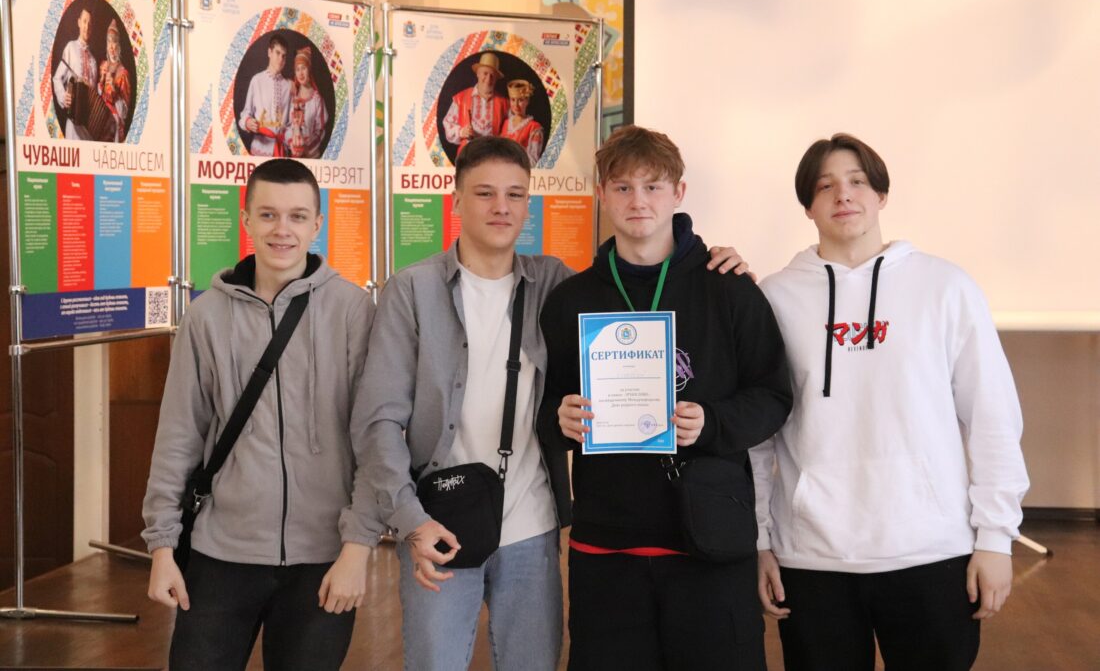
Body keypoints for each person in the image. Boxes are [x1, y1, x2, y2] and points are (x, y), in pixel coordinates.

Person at [352, 135, 748, 671]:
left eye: (515, 195)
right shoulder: (413, 290)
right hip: (439, 523)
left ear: (528, 204)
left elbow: (621, 299)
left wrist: (709, 259)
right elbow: (378, 421)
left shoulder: (555, 285)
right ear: (457, 199)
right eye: (485, 193)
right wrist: (410, 520)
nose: (501, 207)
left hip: (532, 528)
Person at [750, 133, 1030, 671]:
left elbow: (992, 417)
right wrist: (759, 540)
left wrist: (996, 538)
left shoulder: (945, 286)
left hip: (931, 551)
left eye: (857, 182)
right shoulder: (775, 298)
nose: (843, 195)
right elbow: (759, 436)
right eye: (825, 186)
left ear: (881, 195)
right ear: (807, 206)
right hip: (811, 557)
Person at [541, 125, 793, 671]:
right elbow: (546, 408)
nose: (638, 201)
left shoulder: (729, 288)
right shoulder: (570, 300)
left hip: (708, 540)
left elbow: (774, 396)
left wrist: (712, 423)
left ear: (678, 193)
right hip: (607, 547)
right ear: (601, 193)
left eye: (653, 186)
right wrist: (560, 418)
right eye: (623, 187)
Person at [142, 158, 378, 670]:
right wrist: (162, 546)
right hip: (222, 554)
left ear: (317, 224)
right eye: (268, 215)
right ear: (246, 219)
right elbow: (179, 434)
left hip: (323, 556)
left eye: (297, 216)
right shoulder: (206, 316)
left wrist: (358, 547)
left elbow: (375, 442)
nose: (282, 230)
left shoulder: (352, 310)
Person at [442, 51, 508, 157]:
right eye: (485, 73)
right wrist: (461, 132)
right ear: (478, 73)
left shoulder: (504, 103)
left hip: (492, 156)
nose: (488, 79)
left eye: (492, 75)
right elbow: (448, 123)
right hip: (468, 155)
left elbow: (509, 131)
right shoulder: (461, 98)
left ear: (496, 78)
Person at [239, 34, 291, 156]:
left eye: (284, 56)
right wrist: (247, 122)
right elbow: (245, 113)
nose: (281, 59)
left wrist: (289, 139)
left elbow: (291, 123)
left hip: (281, 150)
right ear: (269, 52)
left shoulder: (288, 86)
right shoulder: (256, 80)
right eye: (277, 53)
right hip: (260, 148)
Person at [52, 6, 98, 140]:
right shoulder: (70, 47)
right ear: (79, 22)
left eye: (90, 24)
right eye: (84, 21)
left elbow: (94, 92)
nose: (87, 27)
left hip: (89, 128)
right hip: (73, 125)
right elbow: (56, 78)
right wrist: (63, 96)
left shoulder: (93, 60)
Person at [287, 46, 328, 159]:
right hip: (293, 156)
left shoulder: (317, 100)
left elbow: (320, 131)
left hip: (311, 157)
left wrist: (306, 147)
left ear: (309, 70)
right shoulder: (292, 98)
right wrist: (292, 143)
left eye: (303, 68)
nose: (300, 73)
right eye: (297, 69)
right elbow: (287, 126)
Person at [98, 19, 132, 143]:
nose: (112, 47)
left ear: (119, 46)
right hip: (100, 123)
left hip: (114, 130)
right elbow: (98, 96)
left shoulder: (123, 74)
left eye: (115, 42)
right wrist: (101, 80)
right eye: (109, 42)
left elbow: (124, 113)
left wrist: (114, 88)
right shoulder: (103, 66)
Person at [500, 79, 544, 167]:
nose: (516, 105)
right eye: (513, 100)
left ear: (527, 101)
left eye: (520, 100)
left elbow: (533, 162)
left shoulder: (534, 128)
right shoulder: (506, 123)